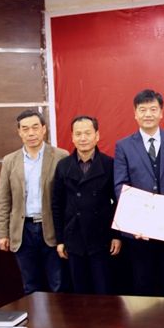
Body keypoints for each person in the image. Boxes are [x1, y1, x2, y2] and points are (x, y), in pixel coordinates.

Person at [114, 89, 164, 297]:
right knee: (143, 281)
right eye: (143, 109)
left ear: (161, 113)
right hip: (139, 229)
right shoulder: (123, 146)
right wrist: (135, 219)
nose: (148, 114)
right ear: (135, 114)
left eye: (153, 109)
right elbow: (120, 185)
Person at [0, 109, 69, 294]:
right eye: (25, 129)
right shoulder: (9, 161)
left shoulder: (61, 156)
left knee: (58, 284)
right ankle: (35, 315)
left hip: (51, 228)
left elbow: (67, 199)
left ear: (44, 129)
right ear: (19, 132)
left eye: (35, 127)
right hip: (23, 231)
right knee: (30, 286)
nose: (31, 133)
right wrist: (2, 233)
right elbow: (4, 200)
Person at [52, 115, 122, 294]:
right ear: (72, 137)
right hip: (73, 238)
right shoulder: (63, 166)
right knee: (80, 293)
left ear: (97, 136)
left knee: (103, 291)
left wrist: (116, 235)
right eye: (78, 134)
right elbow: (57, 205)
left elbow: (118, 203)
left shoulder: (109, 164)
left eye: (87, 133)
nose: (83, 138)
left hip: (101, 238)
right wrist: (60, 240)